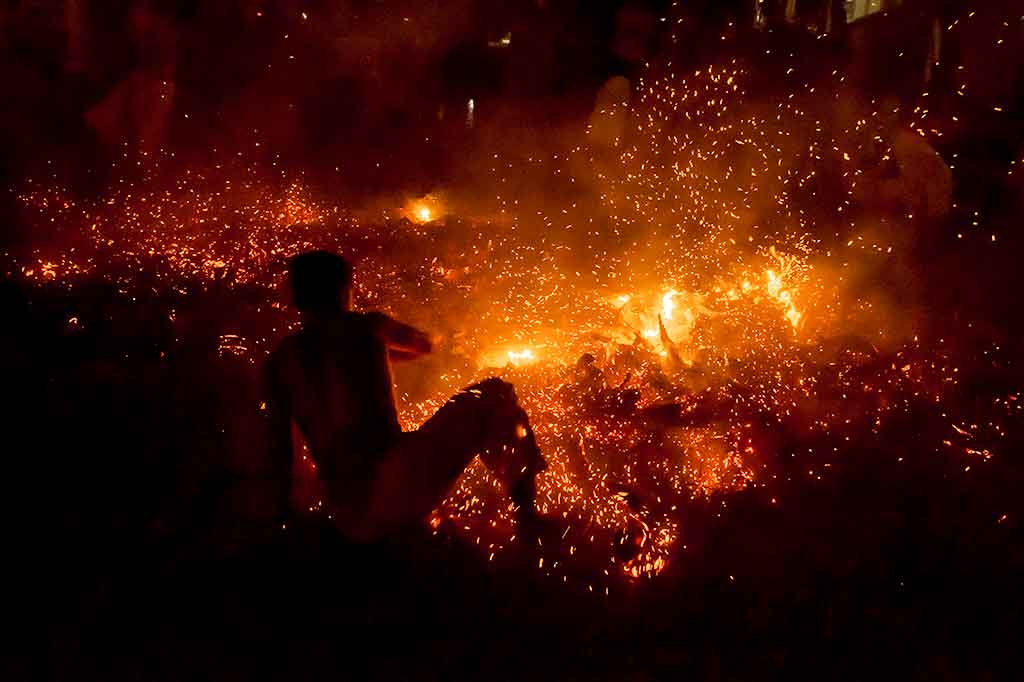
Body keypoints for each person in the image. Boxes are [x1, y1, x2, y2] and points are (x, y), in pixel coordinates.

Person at [265, 251, 545, 541]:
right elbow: (421, 344)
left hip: (346, 514)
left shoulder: (278, 363)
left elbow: (279, 453)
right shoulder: (367, 326)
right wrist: (424, 341)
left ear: (297, 298)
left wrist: (284, 518)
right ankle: (528, 519)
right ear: (344, 290)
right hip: (395, 483)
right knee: (494, 394)